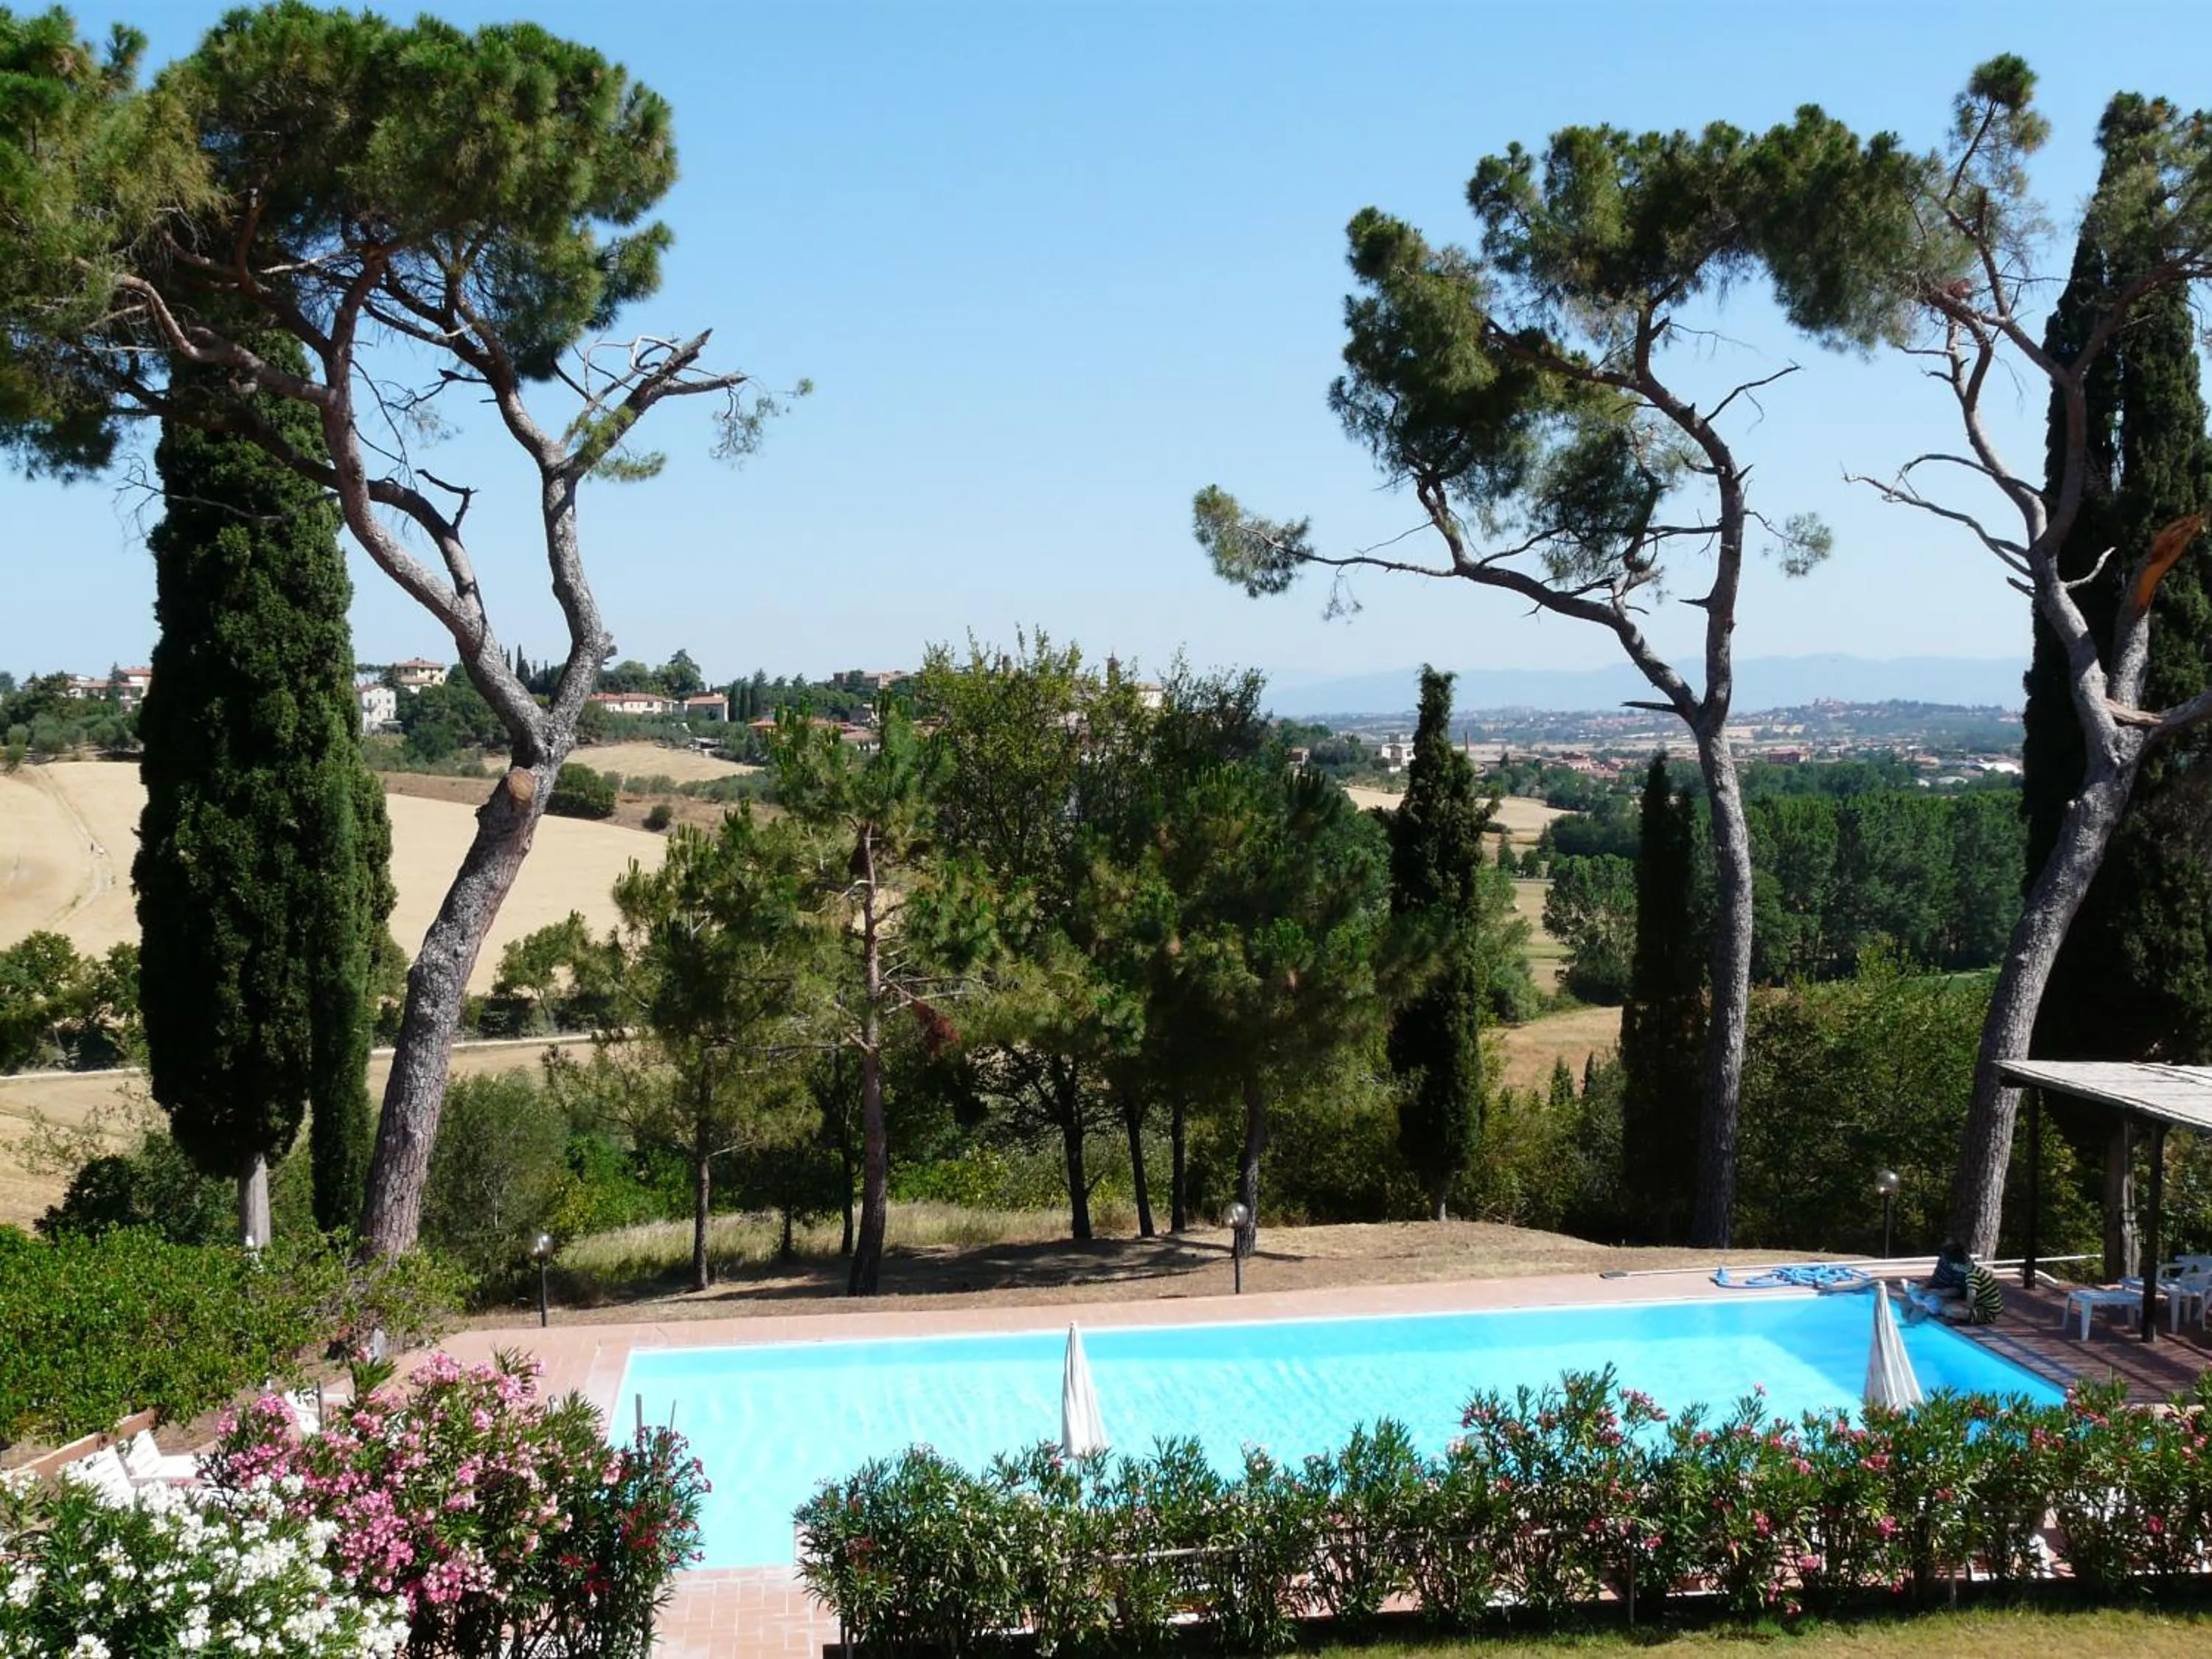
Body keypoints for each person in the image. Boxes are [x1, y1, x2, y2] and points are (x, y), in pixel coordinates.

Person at [1905, 1239, 1975, 1324]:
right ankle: (1906, 1324)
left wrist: (1934, 1292)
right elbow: (1935, 1278)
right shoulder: (1944, 1259)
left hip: (1945, 1297)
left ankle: (1911, 1328)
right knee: (1906, 1301)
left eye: (1943, 1256)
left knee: (1921, 1308)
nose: (1942, 1258)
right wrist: (1924, 1286)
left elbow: (1955, 1292)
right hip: (1933, 1291)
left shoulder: (1962, 1267)